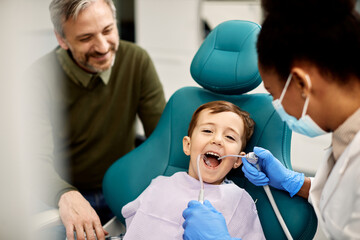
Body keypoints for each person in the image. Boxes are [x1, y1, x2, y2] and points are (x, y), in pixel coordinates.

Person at [182, 0, 360, 239]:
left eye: (274, 94)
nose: (277, 106)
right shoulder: (347, 136)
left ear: (301, 83)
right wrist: (298, 184)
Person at [28, 0, 166, 239]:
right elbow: (35, 162)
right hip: (66, 194)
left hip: (123, 189)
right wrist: (66, 196)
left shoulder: (136, 60)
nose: (103, 47)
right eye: (85, 38)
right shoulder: (38, 78)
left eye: (108, 30)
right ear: (61, 39)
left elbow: (164, 140)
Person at [120, 101, 265, 240]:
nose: (217, 140)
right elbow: (132, 221)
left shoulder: (239, 200)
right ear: (187, 145)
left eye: (229, 137)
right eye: (208, 130)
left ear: (238, 160)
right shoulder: (159, 185)